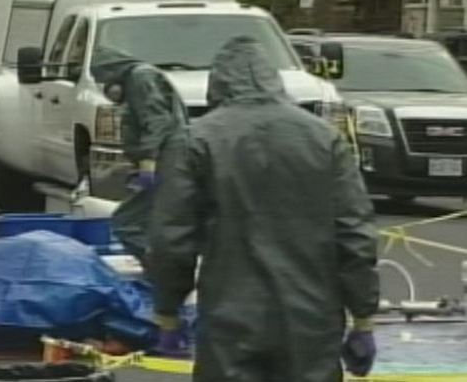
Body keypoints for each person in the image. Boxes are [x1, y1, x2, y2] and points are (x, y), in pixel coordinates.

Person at [149, 37, 379, 381]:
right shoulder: (325, 138)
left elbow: (172, 238)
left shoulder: (195, 140)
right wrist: (363, 316)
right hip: (312, 315)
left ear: (218, 84)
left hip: (231, 315)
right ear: (274, 79)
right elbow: (354, 233)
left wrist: (168, 310)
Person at [91, 47, 189, 269]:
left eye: (105, 81)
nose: (106, 89)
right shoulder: (138, 81)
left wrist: (148, 163)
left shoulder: (139, 78)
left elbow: (156, 122)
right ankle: (164, 270)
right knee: (152, 221)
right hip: (166, 159)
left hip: (166, 160)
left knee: (126, 223)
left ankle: (164, 272)